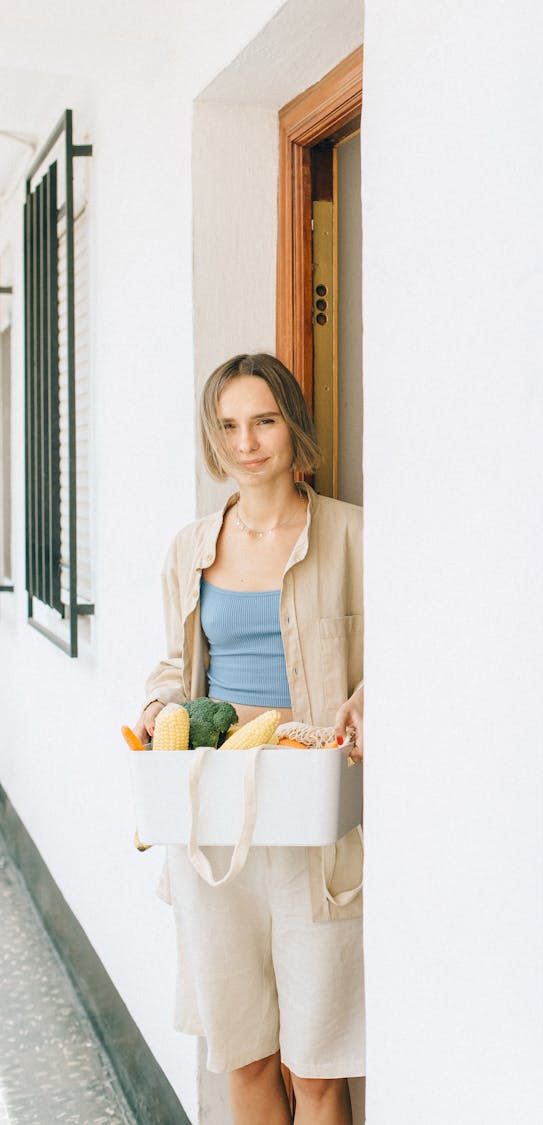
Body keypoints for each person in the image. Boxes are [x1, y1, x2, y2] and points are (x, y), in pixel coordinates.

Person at [132, 353, 365, 1125]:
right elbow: (176, 666)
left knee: (318, 1064)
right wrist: (157, 713)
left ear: (291, 424)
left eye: (263, 420)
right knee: (245, 1053)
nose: (247, 442)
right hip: (214, 817)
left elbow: (399, 661)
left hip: (313, 821)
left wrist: (372, 699)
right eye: (228, 424)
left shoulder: (350, 536)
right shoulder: (190, 547)